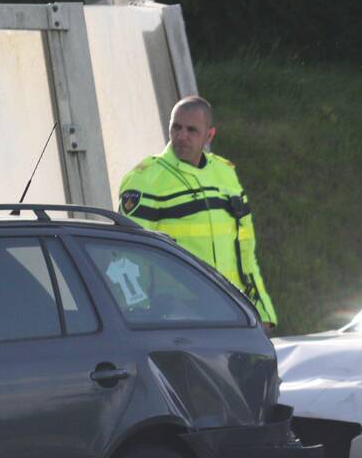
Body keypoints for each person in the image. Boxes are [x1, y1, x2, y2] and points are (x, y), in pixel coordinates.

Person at [118, 96, 277, 326]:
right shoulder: (145, 180)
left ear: (209, 135)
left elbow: (246, 250)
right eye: (176, 127)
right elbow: (128, 257)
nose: (181, 136)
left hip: (233, 312)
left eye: (191, 130)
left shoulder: (225, 174)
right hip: (175, 319)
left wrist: (263, 313)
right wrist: (138, 320)